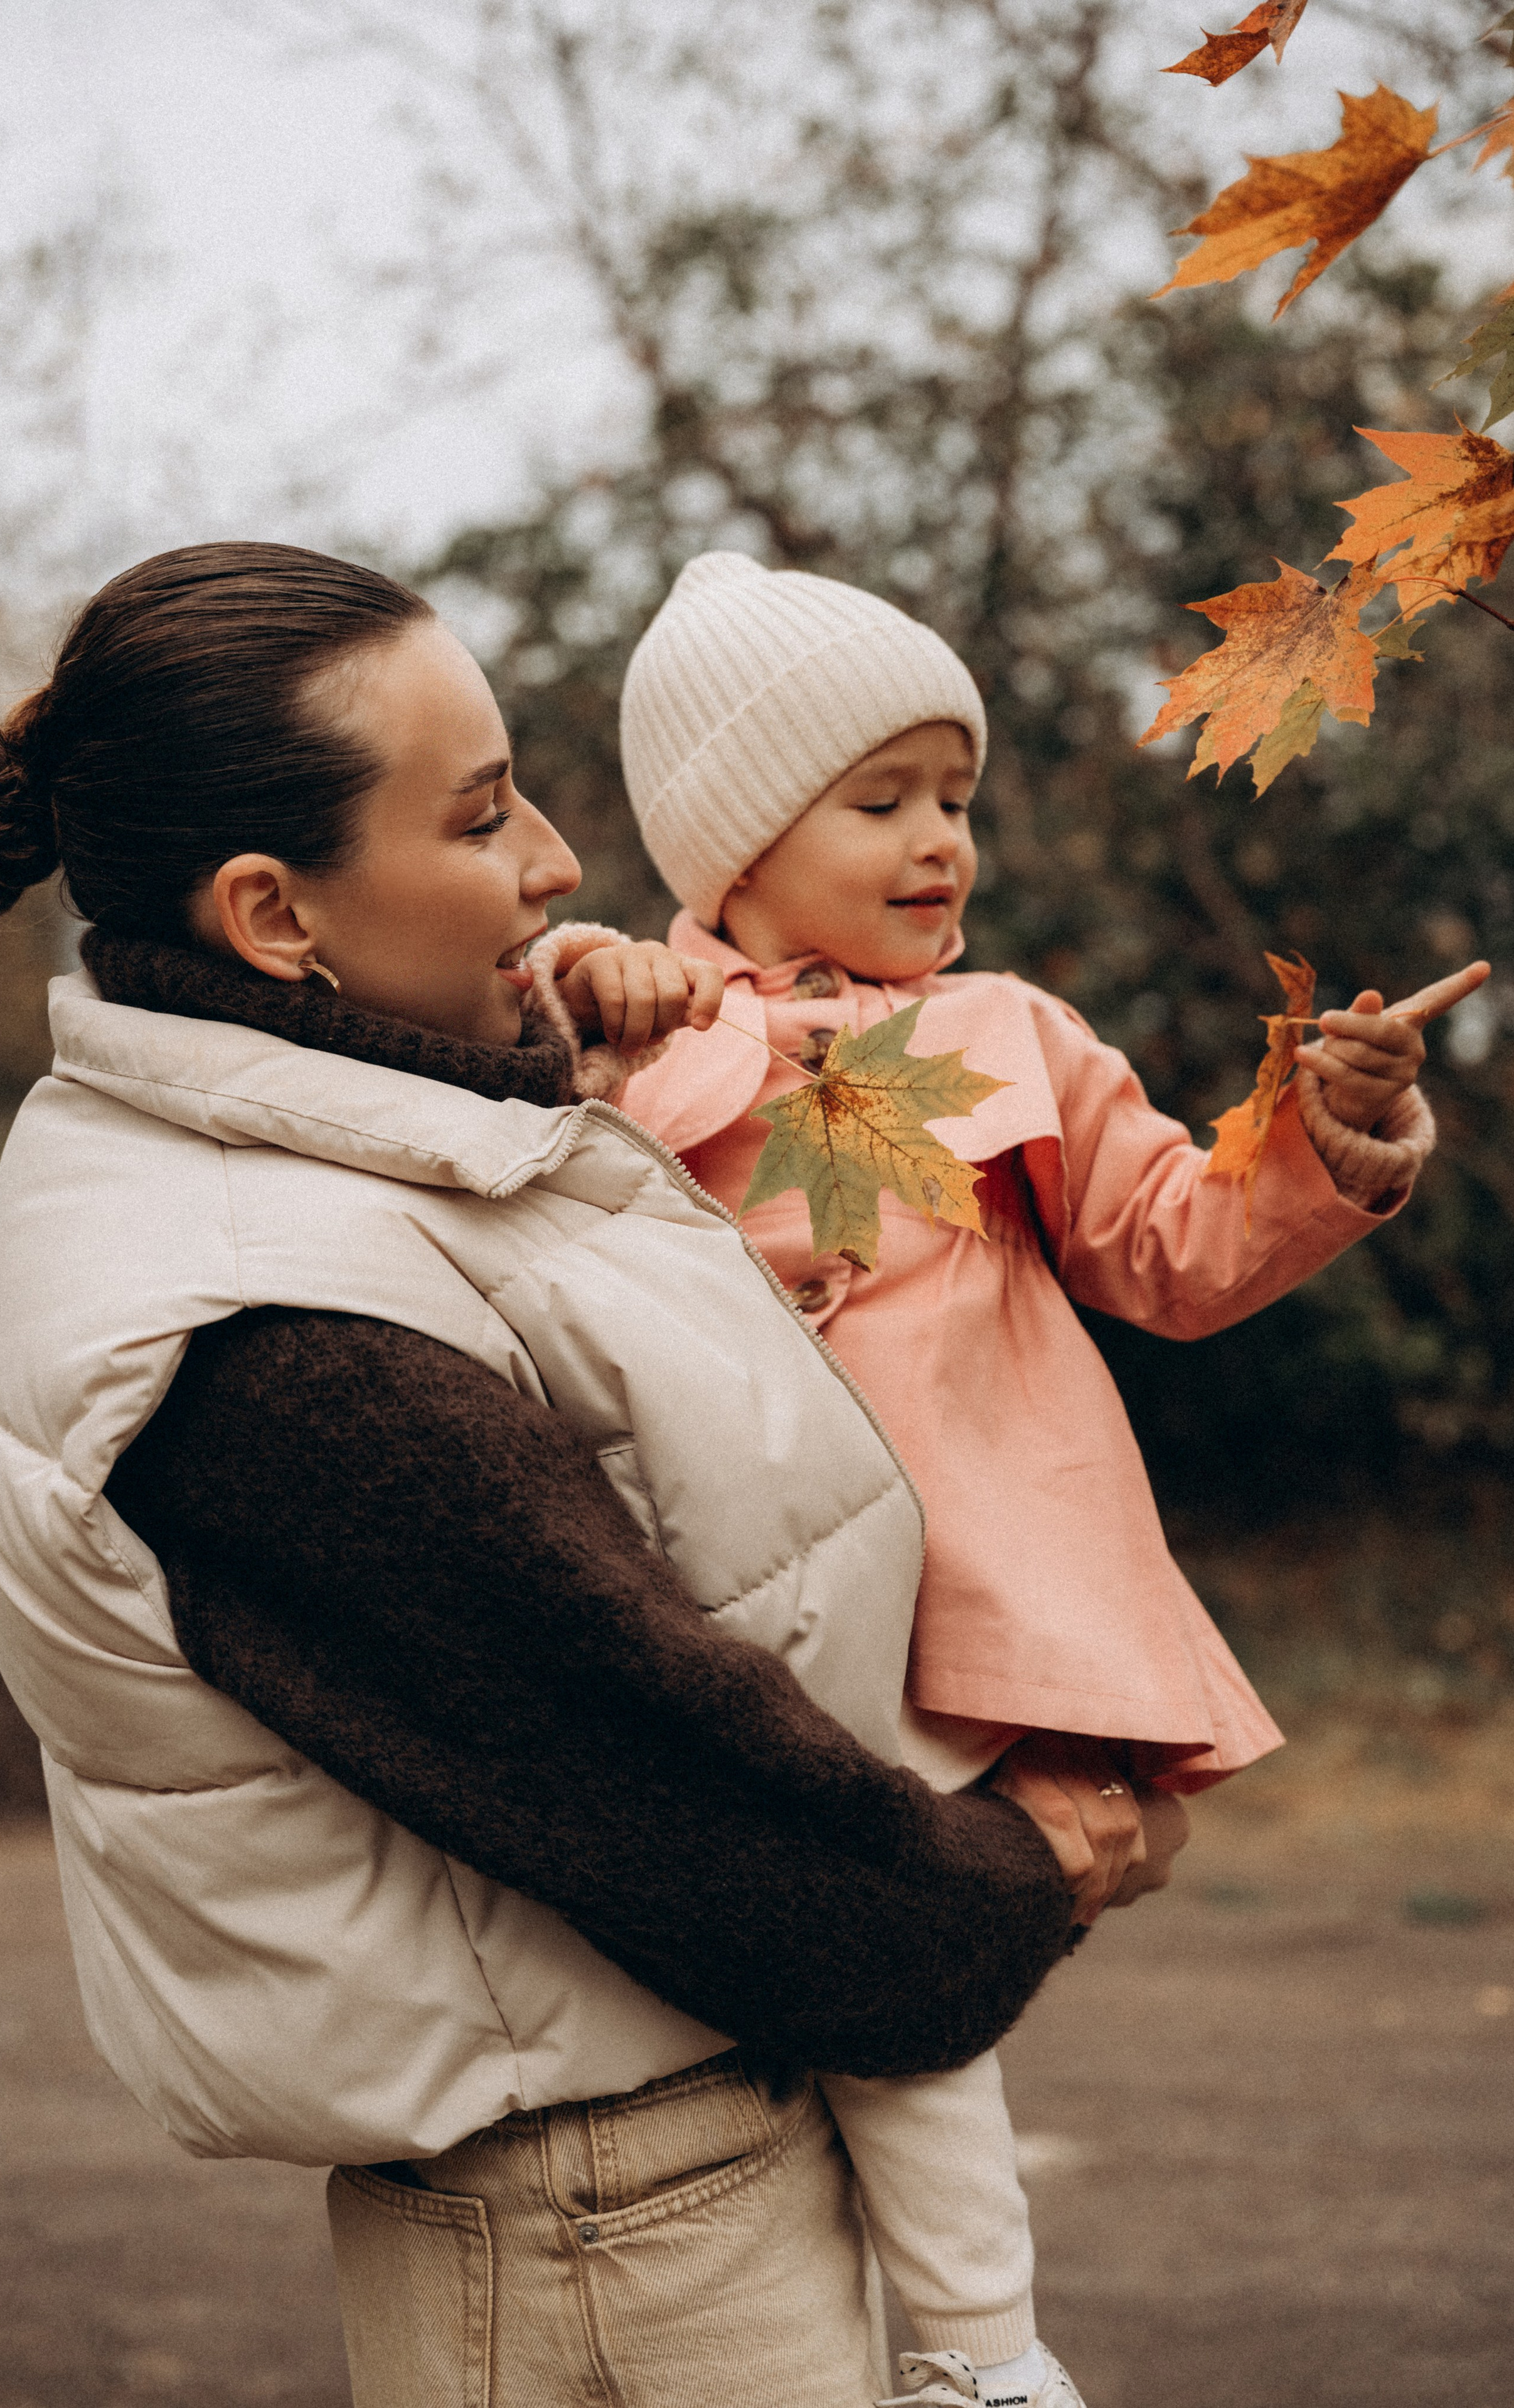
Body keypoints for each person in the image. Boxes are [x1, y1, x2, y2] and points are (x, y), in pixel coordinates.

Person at [0, 541, 1111, 2408]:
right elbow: (659, 1777)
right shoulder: (270, 1339)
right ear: (273, 915)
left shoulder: (339, 1147)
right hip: (616, 2235)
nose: (558, 862)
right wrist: (1021, 1868)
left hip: (649, 2181)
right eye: (482, 820)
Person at [582, 548, 1486, 2408]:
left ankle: (985, 2357)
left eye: (955, 800)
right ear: (730, 843)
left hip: (951, 1597)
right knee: (770, 2012)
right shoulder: (629, 1023)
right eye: (880, 800)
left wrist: (1338, 1128)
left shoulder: (1006, 1038)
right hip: (725, 1585)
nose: (940, 843)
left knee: (904, 1994)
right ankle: (879, 2343)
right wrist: (596, 1003)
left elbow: (1174, 1242)